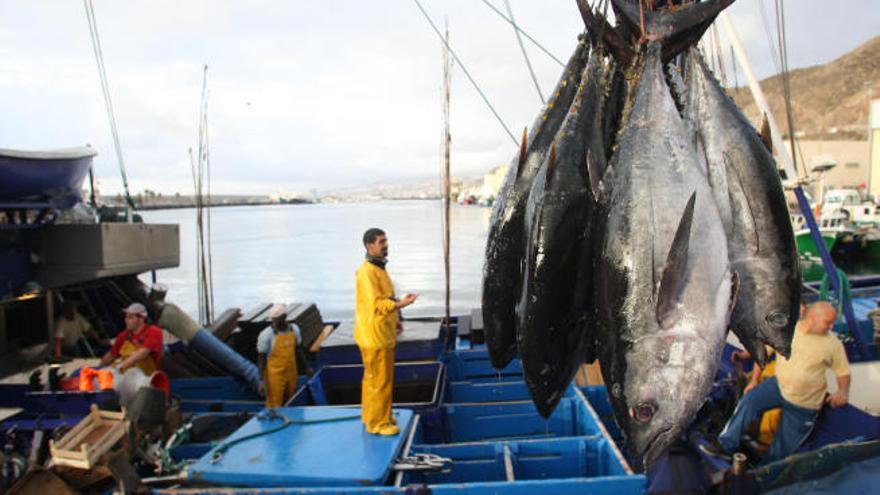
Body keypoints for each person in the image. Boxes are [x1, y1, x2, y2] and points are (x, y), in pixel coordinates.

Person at [704, 302, 851, 463]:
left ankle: (764, 472)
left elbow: (843, 372)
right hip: (778, 385)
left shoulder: (832, 344)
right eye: (828, 322)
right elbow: (765, 351)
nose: (831, 326)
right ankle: (726, 445)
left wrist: (842, 392)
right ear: (813, 318)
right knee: (749, 401)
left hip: (805, 403)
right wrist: (752, 374)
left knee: (783, 447)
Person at [355, 228, 417, 436]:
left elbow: (385, 298)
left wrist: (396, 318)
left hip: (381, 332)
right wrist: (401, 304)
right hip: (375, 336)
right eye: (381, 241)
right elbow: (378, 304)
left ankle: (375, 415)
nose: (386, 244)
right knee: (379, 381)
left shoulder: (378, 269)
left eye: (386, 240)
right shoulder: (367, 272)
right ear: (369, 246)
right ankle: (378, 424)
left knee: (375, 379)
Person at [257, 304, 311, 408]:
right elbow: (261, 358)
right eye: (273, 319)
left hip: (291, 371)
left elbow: (298, 350)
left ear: (285, 317)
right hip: (275, 375)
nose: (275, 322)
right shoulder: (267, 334)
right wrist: (261, 381)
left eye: (278, 319)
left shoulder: (294, 330)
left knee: (292, 399)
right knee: (275, 404)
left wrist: (307, 368)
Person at [98, 302, 164, 374]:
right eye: (126, 317)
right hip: (125, 374)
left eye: (130, 318)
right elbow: (111, 355)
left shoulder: (153, 331)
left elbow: (142, 353)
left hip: (145, 377)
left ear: (141, 319)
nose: (126, 320)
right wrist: (98, 368)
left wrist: (121, 366)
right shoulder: (124, 335)